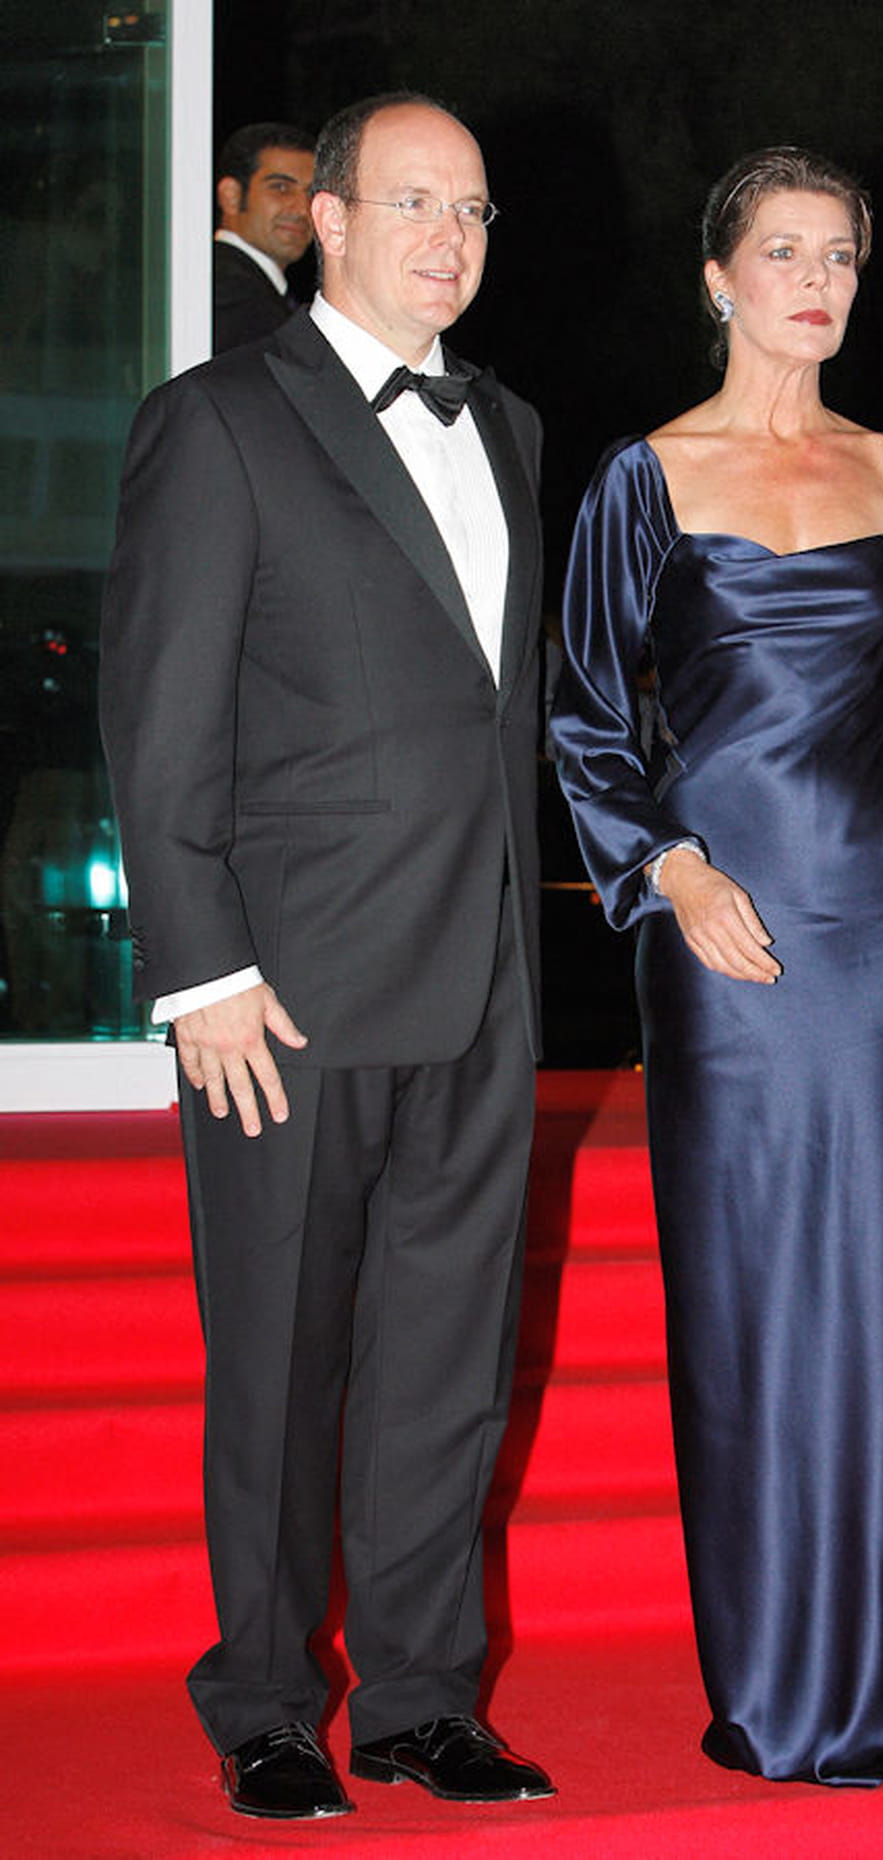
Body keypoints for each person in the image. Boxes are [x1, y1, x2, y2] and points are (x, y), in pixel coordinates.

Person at [551, 146, 883, 1791]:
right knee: (748, 1298)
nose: (818, 281)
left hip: (876, 932)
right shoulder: (640, 481)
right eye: (784, 252)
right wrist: (671, 870)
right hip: (722, 934)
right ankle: (784, 1684)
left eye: (840, 255)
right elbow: (583, 720)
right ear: (719, 279)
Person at [100, 92, 553, 1819]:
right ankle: (269, 1702)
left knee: (446, 1367)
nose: (451, 238)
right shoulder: (219, 419)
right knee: (281, 1369)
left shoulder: (510, 424)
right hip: (285, 993)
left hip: (483, 974)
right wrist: (201, 967)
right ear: (333, 221)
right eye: (415, 202)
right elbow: (160, 721)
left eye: (475, 210)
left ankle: (425, 1700)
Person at [213, 122, 315, 353]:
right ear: (231, 196)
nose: (302, 209)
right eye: (281, 188)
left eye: (312, 193)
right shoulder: (233, 297)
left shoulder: (230, 284)